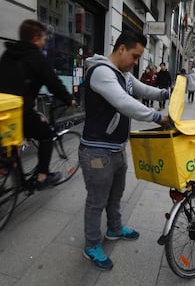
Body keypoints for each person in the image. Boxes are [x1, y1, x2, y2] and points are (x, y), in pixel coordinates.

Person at [79, 31, 170, 271]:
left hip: (117, 148)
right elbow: (124, 103)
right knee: (96, 200)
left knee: (116, 194)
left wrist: (166, 93)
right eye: (135, 55)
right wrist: (158, 117)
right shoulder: (101, 72)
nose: (136, 61)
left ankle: (115, 228)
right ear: (121, 49)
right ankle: (91, 245)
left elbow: (143, 91)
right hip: (97, 151)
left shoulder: (125, 75)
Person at [0, 19, 75, 189]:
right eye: (43, 38)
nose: (44, 42)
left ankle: (13, 175)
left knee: (10, 144)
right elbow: (53, 83)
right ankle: (42, 177)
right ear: (35, 38)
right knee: (46, 135)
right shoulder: (36, 58)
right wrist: (68, 99)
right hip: (19, 112)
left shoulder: (8, 53)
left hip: (2, 110)